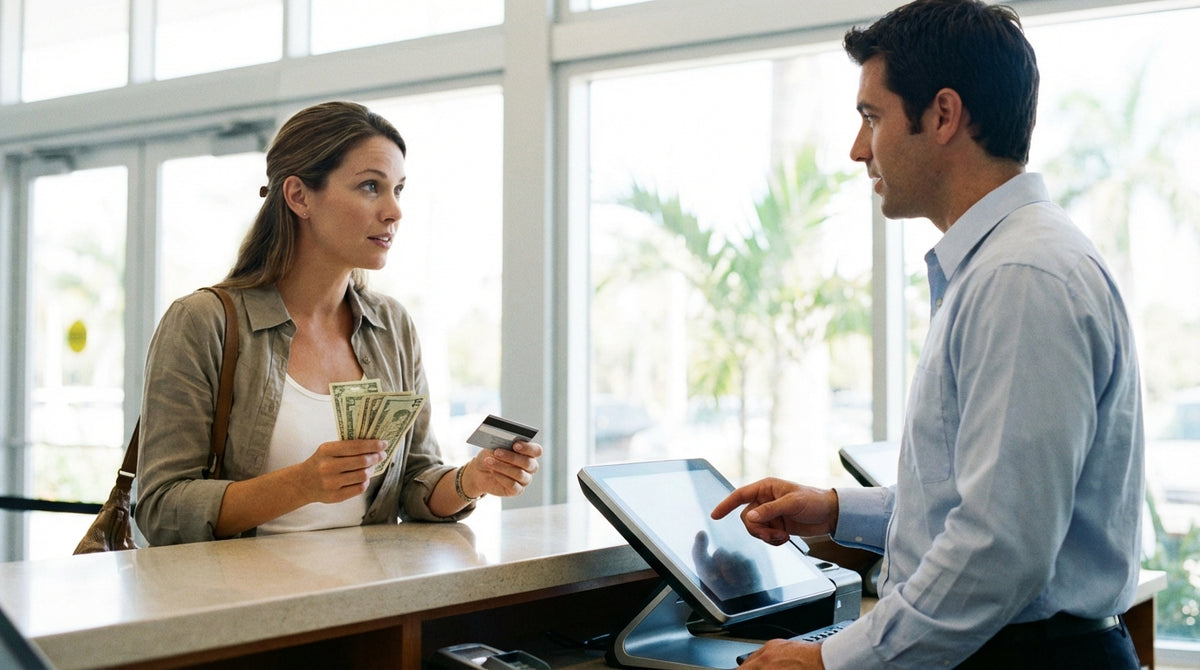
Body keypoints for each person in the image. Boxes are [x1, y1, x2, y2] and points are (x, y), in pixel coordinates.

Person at [711, 1, 1144, 668]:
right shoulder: (1006, 265)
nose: (859, 150)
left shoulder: (1021, 276)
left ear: (943, 116)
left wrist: (829, 662)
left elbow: (998, 546)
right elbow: (981, 502)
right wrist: (832, 511)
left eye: (872, 118)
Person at [135, 101, 541, 545]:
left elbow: (415, 481)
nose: (394, 211)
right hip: (244, 604)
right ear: (298, 196)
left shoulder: (392, 326)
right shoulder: (202, 323)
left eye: (398, 189)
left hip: (371, 602)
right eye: (371, 186)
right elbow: (161, 509)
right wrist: (302, 484)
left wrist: (472, 479)